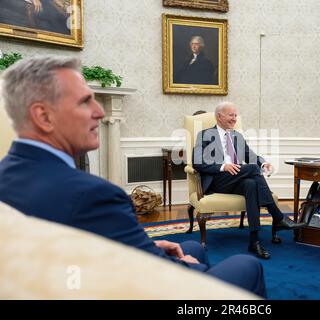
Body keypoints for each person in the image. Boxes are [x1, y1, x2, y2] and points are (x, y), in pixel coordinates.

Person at [0, 56, 266, 298]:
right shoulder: (94, 195)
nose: (99, 112)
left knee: (190, 246)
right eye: (84, 101)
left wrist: (147, 245)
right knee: (246, 264)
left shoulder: (6, 175)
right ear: (43, 116)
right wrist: (186, 269)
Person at [192, 101, 304, 259]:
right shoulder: (204, 135)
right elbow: (197, 162)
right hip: (218, 180)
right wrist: (223, 166)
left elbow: (250, 155)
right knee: (252, 169)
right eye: (231, 115)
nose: (234, 119)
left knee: (251, 184)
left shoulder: (237, 136)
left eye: (236, 115)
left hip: (237, 179)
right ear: (219, 116)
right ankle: (278, 217)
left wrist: (263, 163)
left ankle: (254, 241)